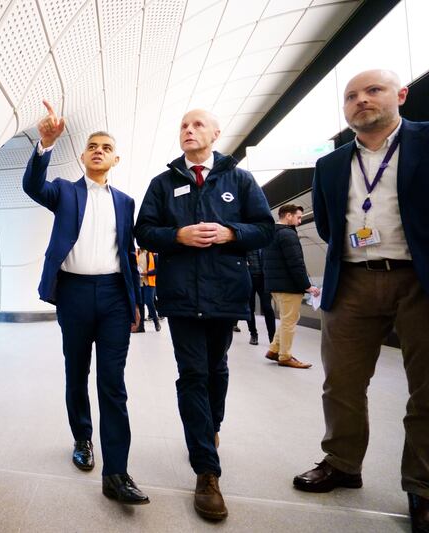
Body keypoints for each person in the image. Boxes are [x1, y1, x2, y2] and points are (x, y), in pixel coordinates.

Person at [293, 69, 429, 532]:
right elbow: (330, 227)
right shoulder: (330, 165)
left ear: (401, 95)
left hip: (419, 280)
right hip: (351, 281)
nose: (361, 100)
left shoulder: (426, 142)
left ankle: (423, 486)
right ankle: (343, 463)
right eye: (351, 96)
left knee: (427, 388)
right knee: (342, 383)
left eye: (374, 90)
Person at [135, 109, 274, 521]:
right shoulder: (163, 184)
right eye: (182, 125)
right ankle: (207, 472)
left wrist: (232, 233)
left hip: (225, 293)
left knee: (218, 368)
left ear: (216, 132)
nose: (189, 130)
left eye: (197, 125)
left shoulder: (239, 179)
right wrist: (176, 236)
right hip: (180, 296)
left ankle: (210, 427)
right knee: (193, 373)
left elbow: (264, 228)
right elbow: (144, 231)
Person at [22, 100, 147, 505]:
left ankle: (117, 472)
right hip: (73, 294)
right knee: (76, 372)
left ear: (115, 158)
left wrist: (135, 301)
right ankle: (82, 438)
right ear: (82, 155)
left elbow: (127, 253)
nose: (98, 150)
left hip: (113, 296)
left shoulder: (125, 202)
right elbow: (32, 187)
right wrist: (44, 145)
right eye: (92, 145)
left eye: (105, 147)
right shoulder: (63, 191)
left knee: (112, 382)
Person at [262, 204, 321, 368]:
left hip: (275, 285)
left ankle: (274, 349)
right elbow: (295, 263)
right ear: (288, 215)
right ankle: (285, 356)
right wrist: (307, 286)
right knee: (289, 321)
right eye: (298, 217)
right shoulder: (288, 234)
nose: (300, 221)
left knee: (288, 318)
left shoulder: (270, 233)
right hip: (288, 286)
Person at [245, 248, 275, 345]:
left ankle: (272, 337)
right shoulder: (244, 243)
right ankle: (253, 334)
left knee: (267, 307)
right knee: (250, 308)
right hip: (248, 279)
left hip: (263, 278)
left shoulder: (263, 242)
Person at [135, 248, 161, 332]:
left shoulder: (153, 254)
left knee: (149, 301)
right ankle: (141, 327)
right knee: (140, 303)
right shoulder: (136, 253)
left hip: (149, 282)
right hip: (139, 283)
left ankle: (156, 322)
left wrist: (147, 273)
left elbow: (158, 269)